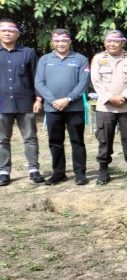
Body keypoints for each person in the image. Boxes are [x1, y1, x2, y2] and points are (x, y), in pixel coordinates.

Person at [34, 28, 91, 185]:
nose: (60, 43)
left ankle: (80, 173)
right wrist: (53, 100)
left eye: (64, 40)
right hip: (52, 108)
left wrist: (68, 98)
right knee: (55, 141)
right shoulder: (45, 60)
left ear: (70, 41)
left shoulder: (80, 59)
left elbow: (84, 83)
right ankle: (59, 173)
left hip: (75, 108)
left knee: (77, 141)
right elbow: (39, 82)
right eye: (57, 41)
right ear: (52, 42)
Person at [90, 29, 127, 185]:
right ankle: (103, 171)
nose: (111, 44)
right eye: (108, 41)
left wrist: (125, 97)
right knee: (104, 140)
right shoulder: (98, 58)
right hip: (105, 107)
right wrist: (109, 98)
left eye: (115, 41)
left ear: (123, 42)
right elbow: (96, 81)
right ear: (104, 42)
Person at [0, 18, 45, 186]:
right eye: (3, 30)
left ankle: (34, 169)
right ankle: (3, 171)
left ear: (17, 34)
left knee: (30, 138)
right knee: (2, 140)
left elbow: (37, 77)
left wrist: (39, 98)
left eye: (11, 30)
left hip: (25, 102)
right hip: (1, 104)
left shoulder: (28, 52)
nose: (7, 33)